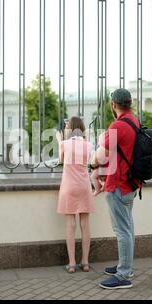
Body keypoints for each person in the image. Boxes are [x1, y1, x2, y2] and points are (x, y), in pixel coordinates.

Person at [91, 88, 140, 289]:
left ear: (113, 105)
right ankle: (125, 265)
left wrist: (92, 166)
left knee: (122, 230)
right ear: (129, 103)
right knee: (127, 227)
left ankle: (123, 275)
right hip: (130, 183)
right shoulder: (134, 121)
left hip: (119, 184)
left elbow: (101, 155)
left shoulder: (118, 126)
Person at [56, 117, 94, 273]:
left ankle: (72, 264)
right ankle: (85, 262)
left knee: (70, 225)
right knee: (85, 225)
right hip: (84, 186)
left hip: (69, 187)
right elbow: (91, 161)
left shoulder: (65, 144)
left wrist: (60, 141)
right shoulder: (88, 145)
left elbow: (60, 160)